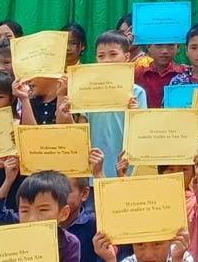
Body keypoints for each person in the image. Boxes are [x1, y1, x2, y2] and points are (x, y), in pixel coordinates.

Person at [57, 30, 145, 177]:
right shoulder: (87, 91)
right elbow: (80, 133)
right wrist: (67, 117)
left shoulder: (137, 93)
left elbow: (142, 135)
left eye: (113, 54)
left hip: (126, 172)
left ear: (127, 57)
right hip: (94, 170)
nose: (107, 60)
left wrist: (134, 114)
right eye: (101, 56)